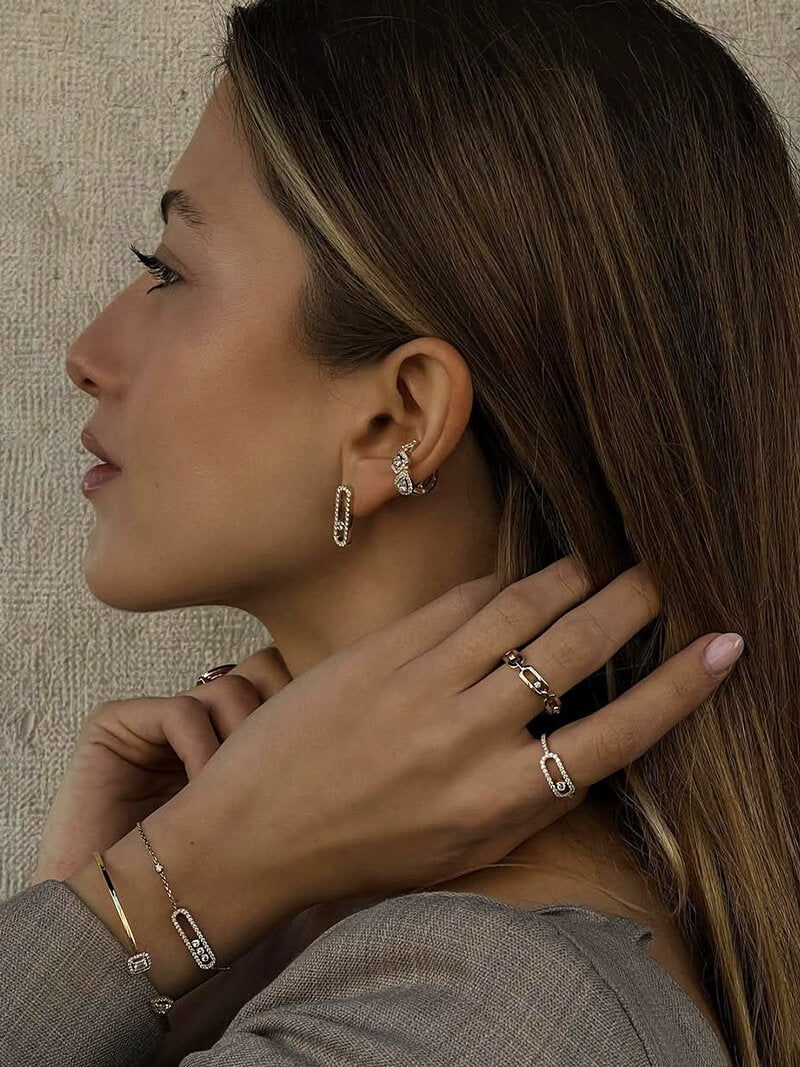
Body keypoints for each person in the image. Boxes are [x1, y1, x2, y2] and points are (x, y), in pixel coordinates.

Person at [2, 0, 797, 1062]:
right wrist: (124, 956)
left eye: (169, 269)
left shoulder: (482, 1008)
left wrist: (146, 904)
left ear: (397, 422)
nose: (87, 353)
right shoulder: (388, 971)